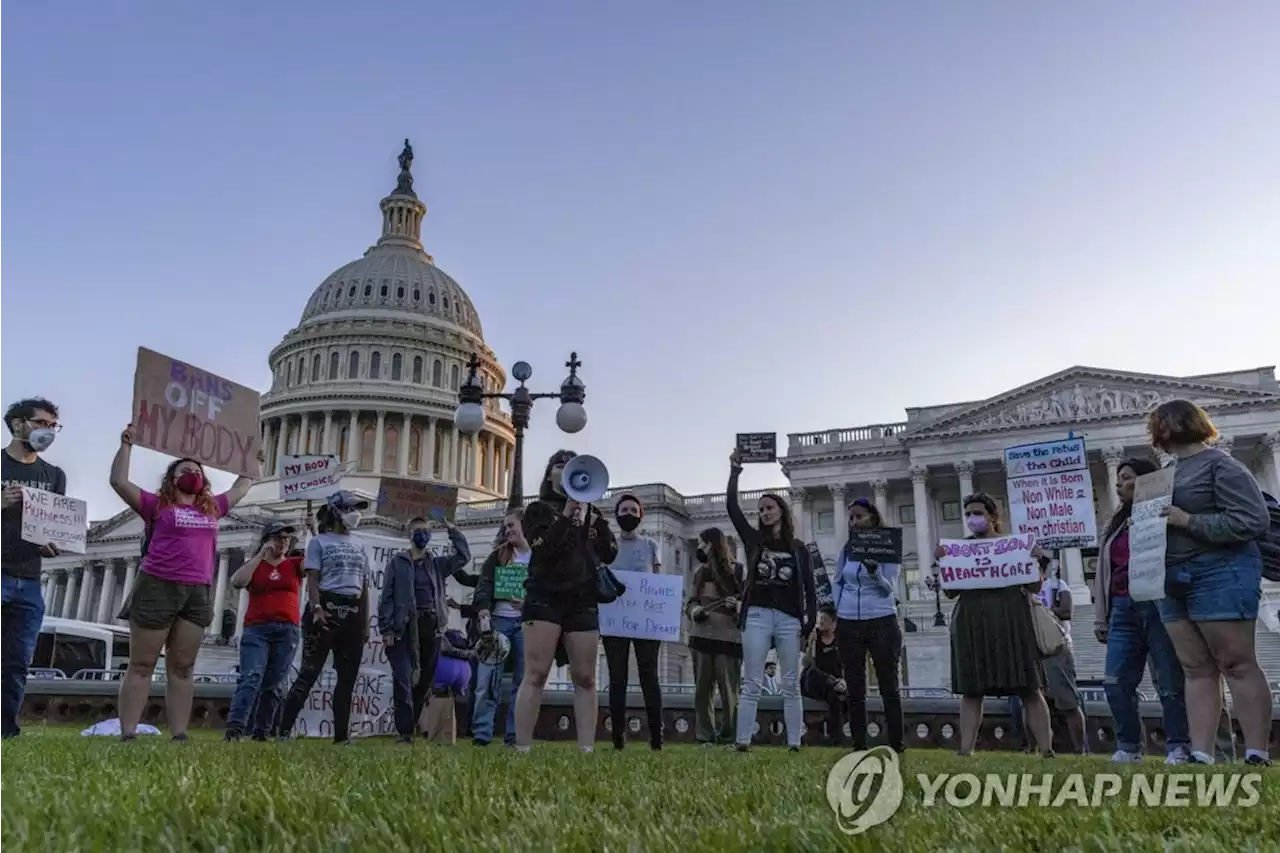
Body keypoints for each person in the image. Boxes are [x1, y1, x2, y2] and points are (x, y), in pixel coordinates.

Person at [109, 424, 259, 741]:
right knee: (142, 663)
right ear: (172, 478)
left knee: (183, 665)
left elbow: (243, 486)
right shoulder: (157, 505)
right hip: (157, 585)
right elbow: (119, 481)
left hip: (197, 590)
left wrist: (251, 460)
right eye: (185, 470)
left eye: (196, 470)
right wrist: (126, 446)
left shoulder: (213, 508)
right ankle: (128, 732)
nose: (192, 473)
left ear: (203, 480)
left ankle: (179, 734)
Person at [1148, 400, 1273, 766]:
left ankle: (1256, 752)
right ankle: (1201, 753)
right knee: (1195, 668)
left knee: (1236, 662)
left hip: (1220, 571)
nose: (1166, 427)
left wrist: (1189, 521)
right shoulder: (1165, 474)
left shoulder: (1222, 465)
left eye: (1171, 419)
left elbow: (1253, 520)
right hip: (1171, 577)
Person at [512, 450, 618, 753]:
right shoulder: (537, 511)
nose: (567, 468)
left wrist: (594, 523)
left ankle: (586, 749)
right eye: (560, 464)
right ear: (549, 476)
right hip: (545, 595)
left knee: (585, 676)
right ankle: (522, 747)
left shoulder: (592, 512)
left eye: (572, 464)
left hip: (582, 597)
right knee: (536, 673)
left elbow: (609, 552)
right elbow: (542, 549)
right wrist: (568, 514)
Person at [939, 492, 1054, 757]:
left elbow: (1035, 586)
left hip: (1011, 618)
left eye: (977, 513)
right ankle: (966, 750)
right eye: (968, 514)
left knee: (1029, 687)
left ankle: (1046, 749)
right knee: (971, 690)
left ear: (993, 516)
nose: (972, 519)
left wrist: (1036, 560)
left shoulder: (1014, 546)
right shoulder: (959, 549)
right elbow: (949, 592)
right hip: (972, 621)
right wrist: (942, 562)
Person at [1094, 457, 1191, 764]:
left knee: (1169, 680)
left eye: (1126, 477)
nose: (1118, 483)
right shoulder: (1115, 523)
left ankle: (1179, 744)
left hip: (1160, 601)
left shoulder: (1166, 510)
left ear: (1147, 480)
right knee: (1115, 681)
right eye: (1118, 478)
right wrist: (1101, 615)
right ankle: (1128, 746)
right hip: (1122, 606)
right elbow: (1103, 571)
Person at [726, 448, 817, 752]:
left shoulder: (798, 548)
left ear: (781, 510)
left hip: (790, 617)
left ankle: (794, 742)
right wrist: (735, 472)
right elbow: (732, 510)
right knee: (751, 681)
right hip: (758, 615)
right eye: (761, 509)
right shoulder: (754, 542)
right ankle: (742, 741)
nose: (764, 512)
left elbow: (809, 587)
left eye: (769, 507)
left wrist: (810, 621)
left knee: (790, 683)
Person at [278, 491, 373, 745]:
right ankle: (283, 731)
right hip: (326, 608)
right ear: (336, 511)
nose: (356, 514)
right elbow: (313, 579)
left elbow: (363, 587)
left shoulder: (361, 544)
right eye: (350, 508)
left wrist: (364, 623)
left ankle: (341, 737)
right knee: (309, 673)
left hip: (352, 611)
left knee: (347, 680)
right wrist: (317, 607)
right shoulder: (319, 543)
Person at [0, 398, 66, 739]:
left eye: (53, 426)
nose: (48, 431)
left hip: (29, 578)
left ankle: (6, 731)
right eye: (41, 423)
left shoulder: (53, 475)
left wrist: (50, 543)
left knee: (16, 663)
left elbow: (51, 526)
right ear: (17, 424)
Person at [379, 515, 472, 745]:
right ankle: (404, 733)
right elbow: (387, 597)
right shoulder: (397, 563)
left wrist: (453, 530)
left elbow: (463, 557)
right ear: (410, 534)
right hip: (404, 626)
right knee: (402, 678)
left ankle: (410, 728)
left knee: (423, 682)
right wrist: (386, 628)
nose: (422, 534)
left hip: (431, 626)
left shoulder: (437, 564)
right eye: (418, 530)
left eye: (426, 530)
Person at [832, 497, 904, 752]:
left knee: (889, 684)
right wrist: (833, 612)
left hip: (882, 617)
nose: (854, 522)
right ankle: (859, 743)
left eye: (859, 516)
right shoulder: (847, 549)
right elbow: (838, 581)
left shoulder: (887, 546)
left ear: (873, 518)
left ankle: (897, 742)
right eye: (851, 517)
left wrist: (876, 574)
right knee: (854, 685)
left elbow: (890, 590)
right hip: (849, 620)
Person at [224, 521, 303, 742]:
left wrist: (313, 531)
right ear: (267, 540)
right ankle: (235, 729)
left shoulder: (294, 564)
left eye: (286, 539)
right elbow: (238, 582)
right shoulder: (256, 565)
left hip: (287, 629)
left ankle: (262, 731)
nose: (283, 543)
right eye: (278, 538)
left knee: (274, 684)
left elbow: (316, 564)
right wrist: (260, 555)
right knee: (251, 677)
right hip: (256, 629)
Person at [602, 493, 664, 750]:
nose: (628, 513)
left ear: (640, 515)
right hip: (615, 619)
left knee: (649, 676)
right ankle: (618, 734)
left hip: (646, 620)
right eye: (623, 509)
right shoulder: (608, 547)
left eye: (632, 510)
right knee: (617, 677)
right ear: (616, 515)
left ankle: (656, 736)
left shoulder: (651, 545)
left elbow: (659, 581)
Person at [471, 509, 530, 747]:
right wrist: (483, 607)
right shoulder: (498, 555)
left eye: (511, 526)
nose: (508, 531)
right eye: (506, 527)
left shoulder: (538, 557)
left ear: (525, 526)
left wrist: (528, 603)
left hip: (527, 623)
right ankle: (482, 733)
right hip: (498, 621)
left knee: (523, 681)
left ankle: (514, 735)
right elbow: (483, 585)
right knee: (487, 680)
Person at [685, 526, 743, 746]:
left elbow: (748, 604)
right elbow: (690, 603)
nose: (699, 547)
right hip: (701, 637)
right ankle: (704, 736)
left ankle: (729, 736)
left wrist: (736, 605)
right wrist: (695, 612)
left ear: (712, 544)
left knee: (730, 693)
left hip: (730, 639)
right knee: (702, 691)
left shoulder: (738, 571)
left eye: (702, 543)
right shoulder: (700, 572)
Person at [1033, 555, 1086, 753]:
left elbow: (1066, 611)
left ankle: (1080, 750)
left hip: (1056, 648)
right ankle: (1034, 748)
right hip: (1032, 649)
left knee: (1068, 701)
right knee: (1031, 701)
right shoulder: (1023, 591)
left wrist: (1040, 610)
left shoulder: (1057, 585)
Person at [801, 611, 846, 746]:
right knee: (813, 672)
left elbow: (846, 664)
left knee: (835, 697)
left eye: (825, 619)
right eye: (820, 619)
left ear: (834, 624)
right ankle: (832, 682)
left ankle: (835, 737)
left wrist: (843, 681)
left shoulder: (840, 641)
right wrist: (810, 645)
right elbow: (806, 663)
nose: (821, 622)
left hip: (832, 686)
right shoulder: (816, 637)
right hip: (814, 682)